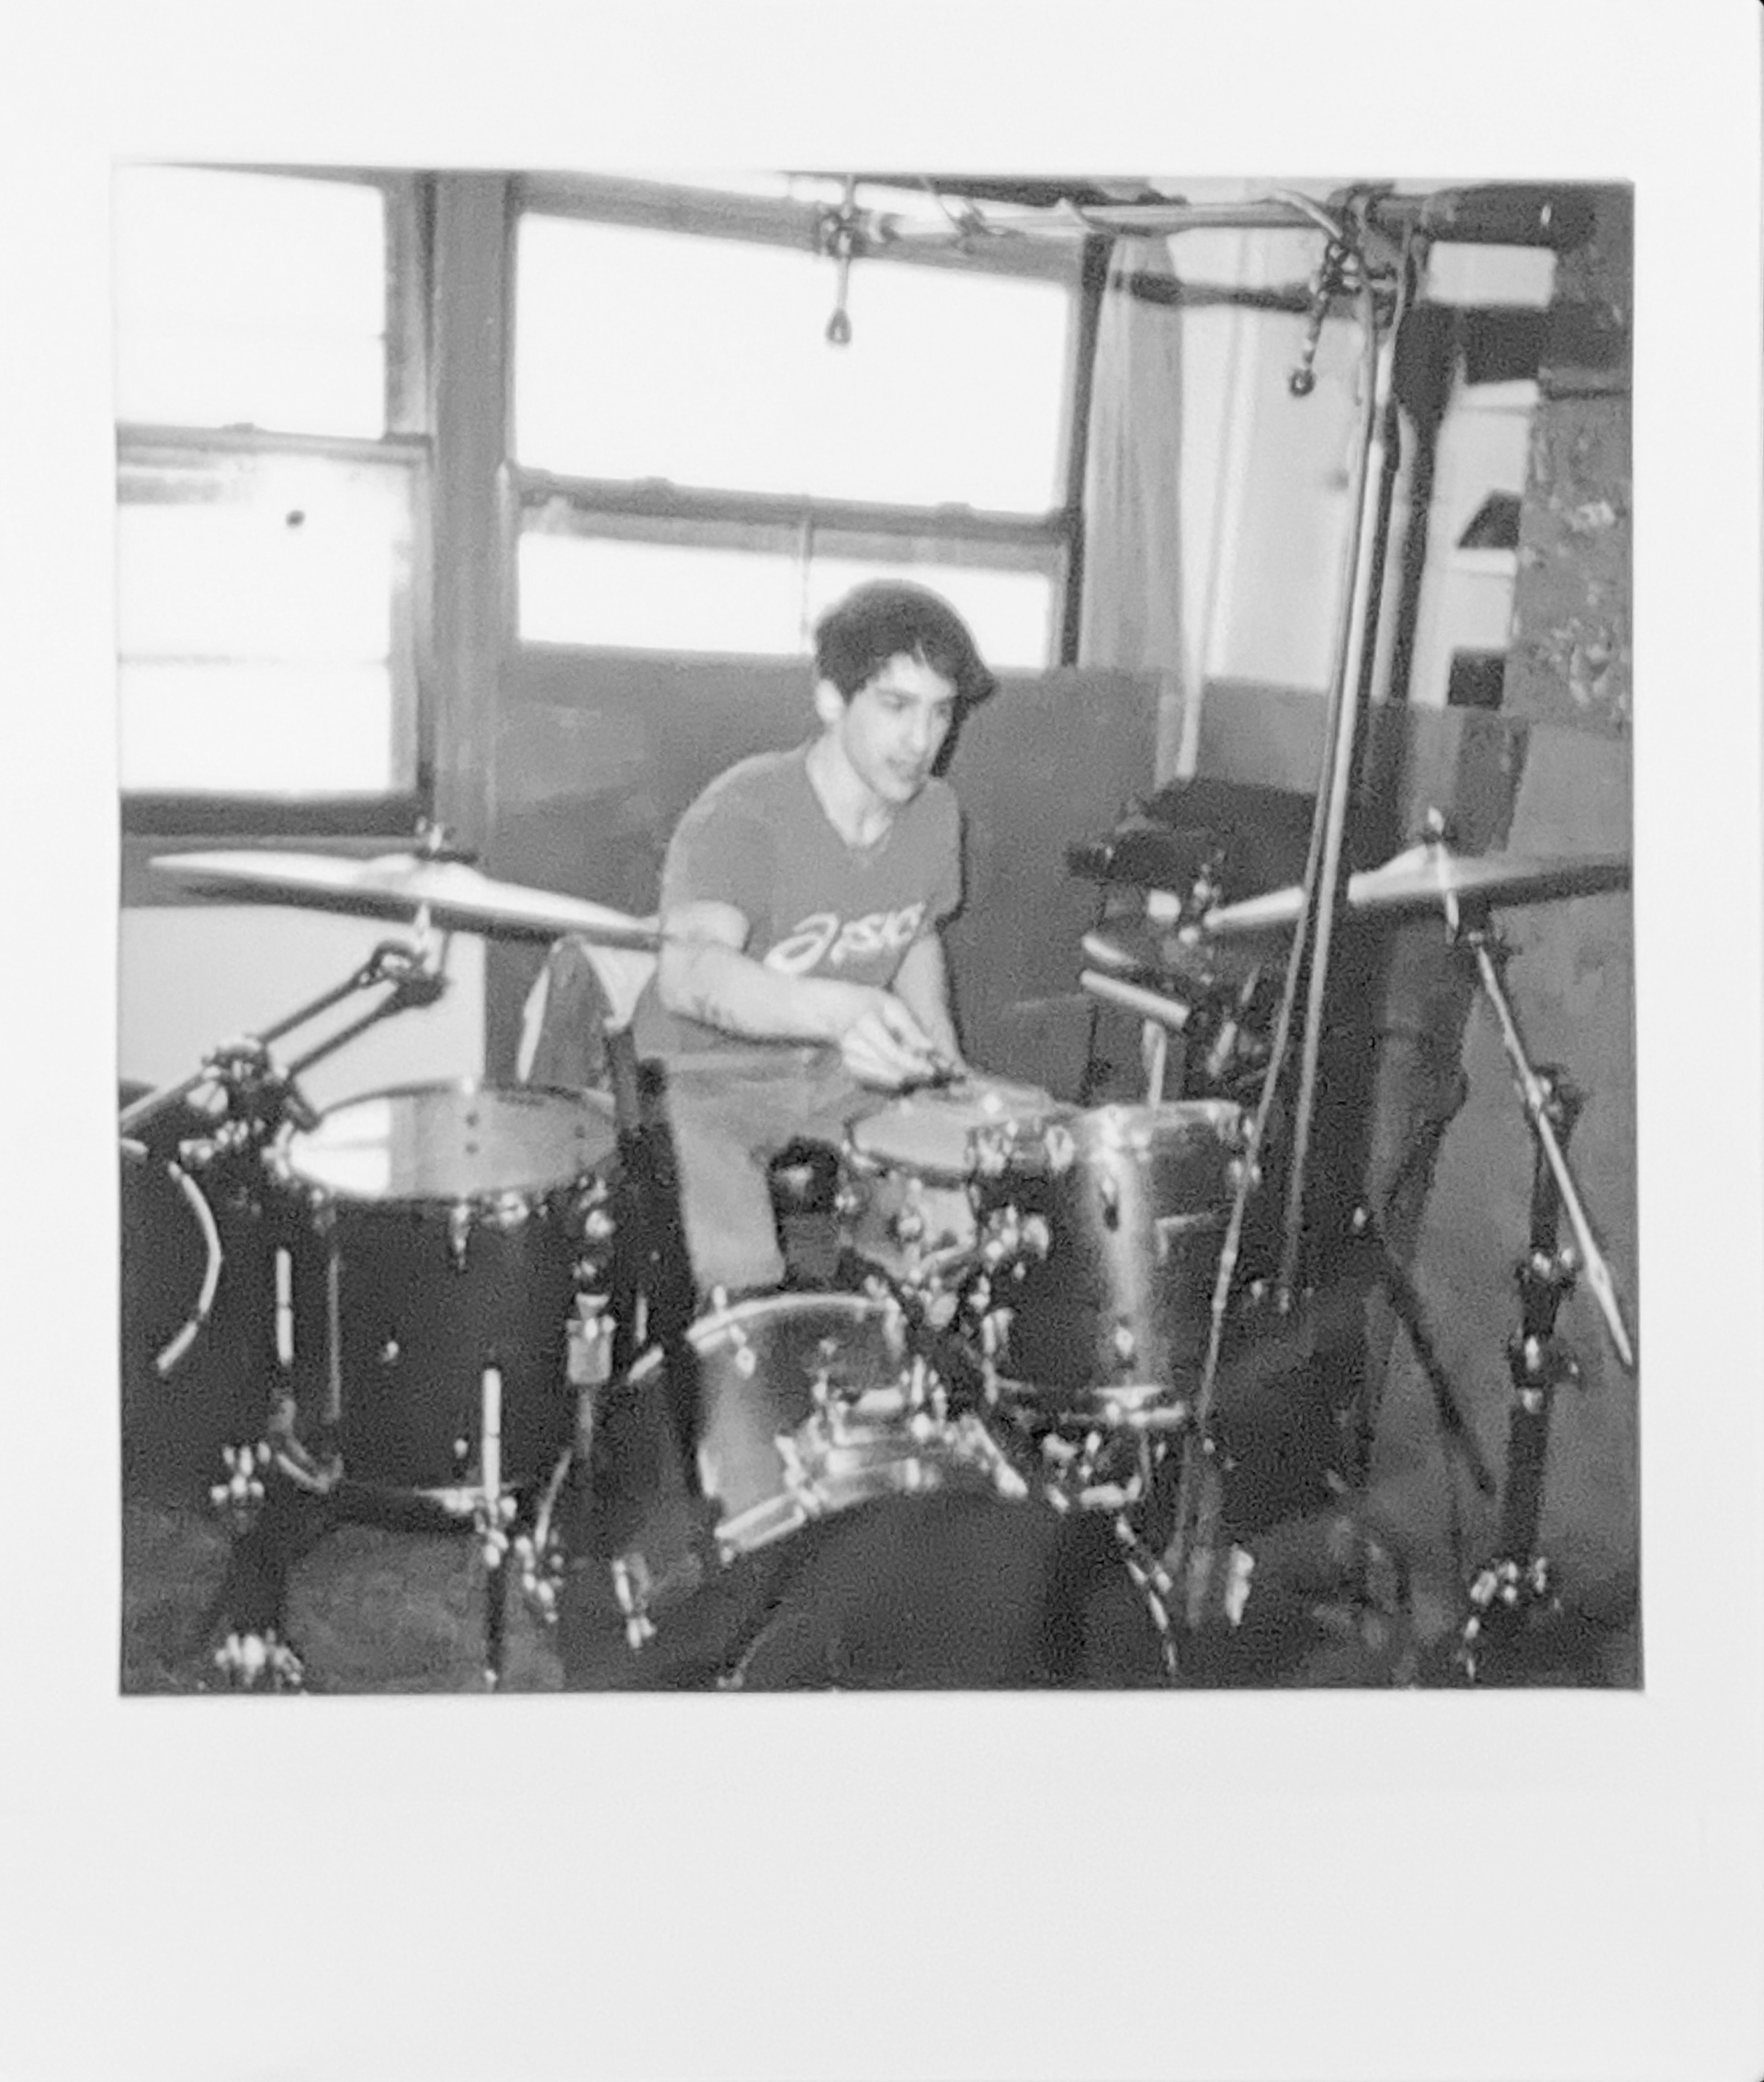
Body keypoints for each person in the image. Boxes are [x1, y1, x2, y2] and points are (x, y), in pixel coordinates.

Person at [629, 580, 996, 1300]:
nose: (921, 740)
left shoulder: (935, 812)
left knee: (963, 1230)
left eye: (940, 711)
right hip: (703, 1079)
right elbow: (691, 975)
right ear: (832, 699)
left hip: (837, 1077)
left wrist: (941, 1057)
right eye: (895, 706)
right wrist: (844, 1012)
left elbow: (915, 932)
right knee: (744, 1300)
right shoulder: (744, 810)